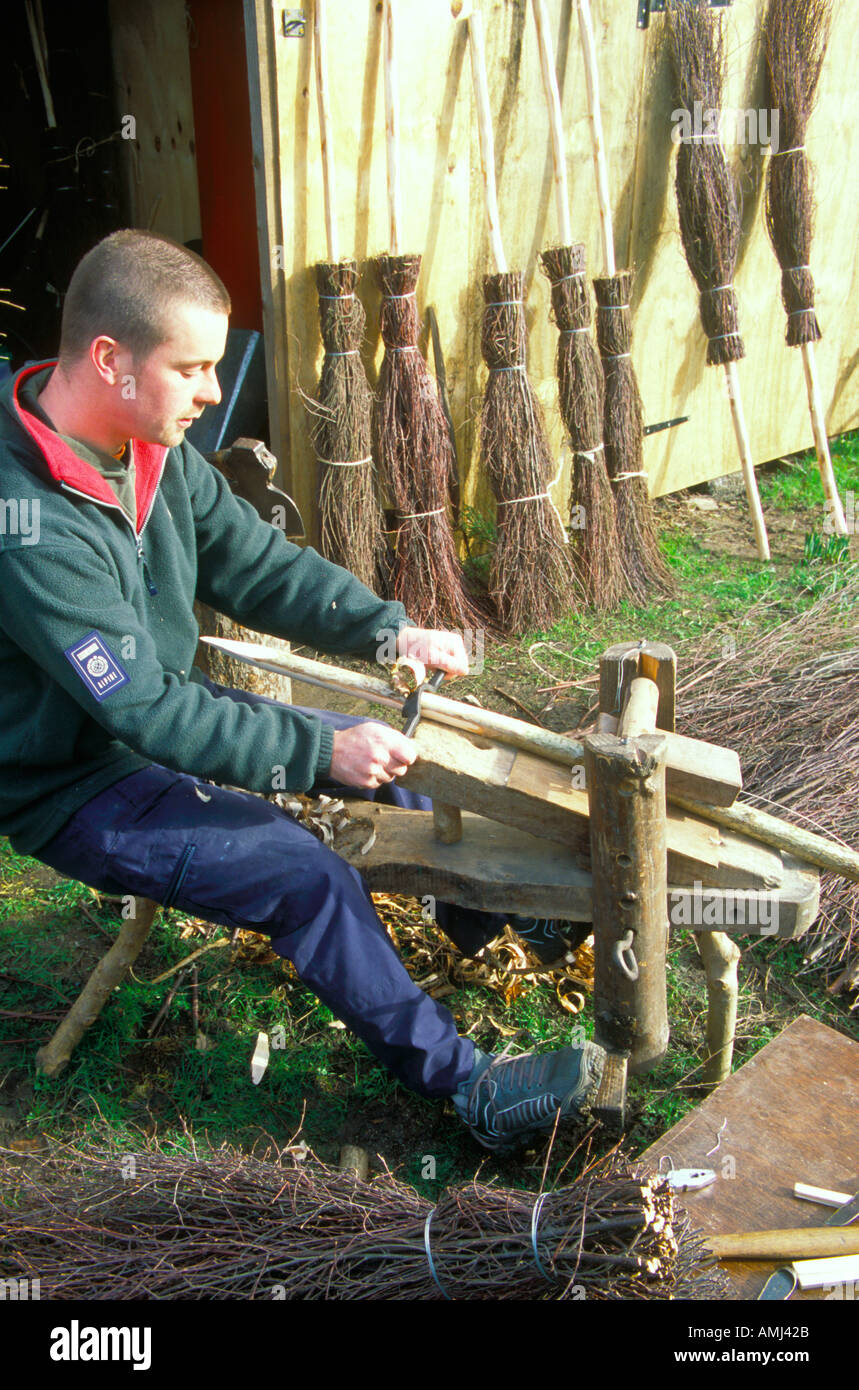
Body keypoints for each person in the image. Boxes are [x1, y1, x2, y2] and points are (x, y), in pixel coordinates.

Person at [0, 230, 604, 1151]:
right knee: (301, 875)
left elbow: (252, 560)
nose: (212, 391)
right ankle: (471, 1091)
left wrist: (384, 627)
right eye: (194, 367)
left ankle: (485, 919)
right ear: (110, 361)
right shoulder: (27, 524)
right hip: (70, 779)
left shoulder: (147, 446)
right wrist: (319, 751)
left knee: (394, 762)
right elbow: (144, 713)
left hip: (151, 711)